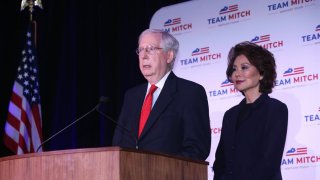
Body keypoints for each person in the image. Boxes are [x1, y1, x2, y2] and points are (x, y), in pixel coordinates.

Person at [112, 29, 211, 161]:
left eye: (150, 49)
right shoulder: (131, 96)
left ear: (169, 56)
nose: (143, 55)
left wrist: (162, 170)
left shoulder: (190, 93)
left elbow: (197, 148)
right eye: (140, 50)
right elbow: (118, 143)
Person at [213, 41, 288, 180]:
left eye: (244, 67)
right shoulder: (230, 115)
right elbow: (220, 163)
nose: (237, 74)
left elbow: (269, 163)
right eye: (234, 69)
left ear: (261, 73)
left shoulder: (276, 110)